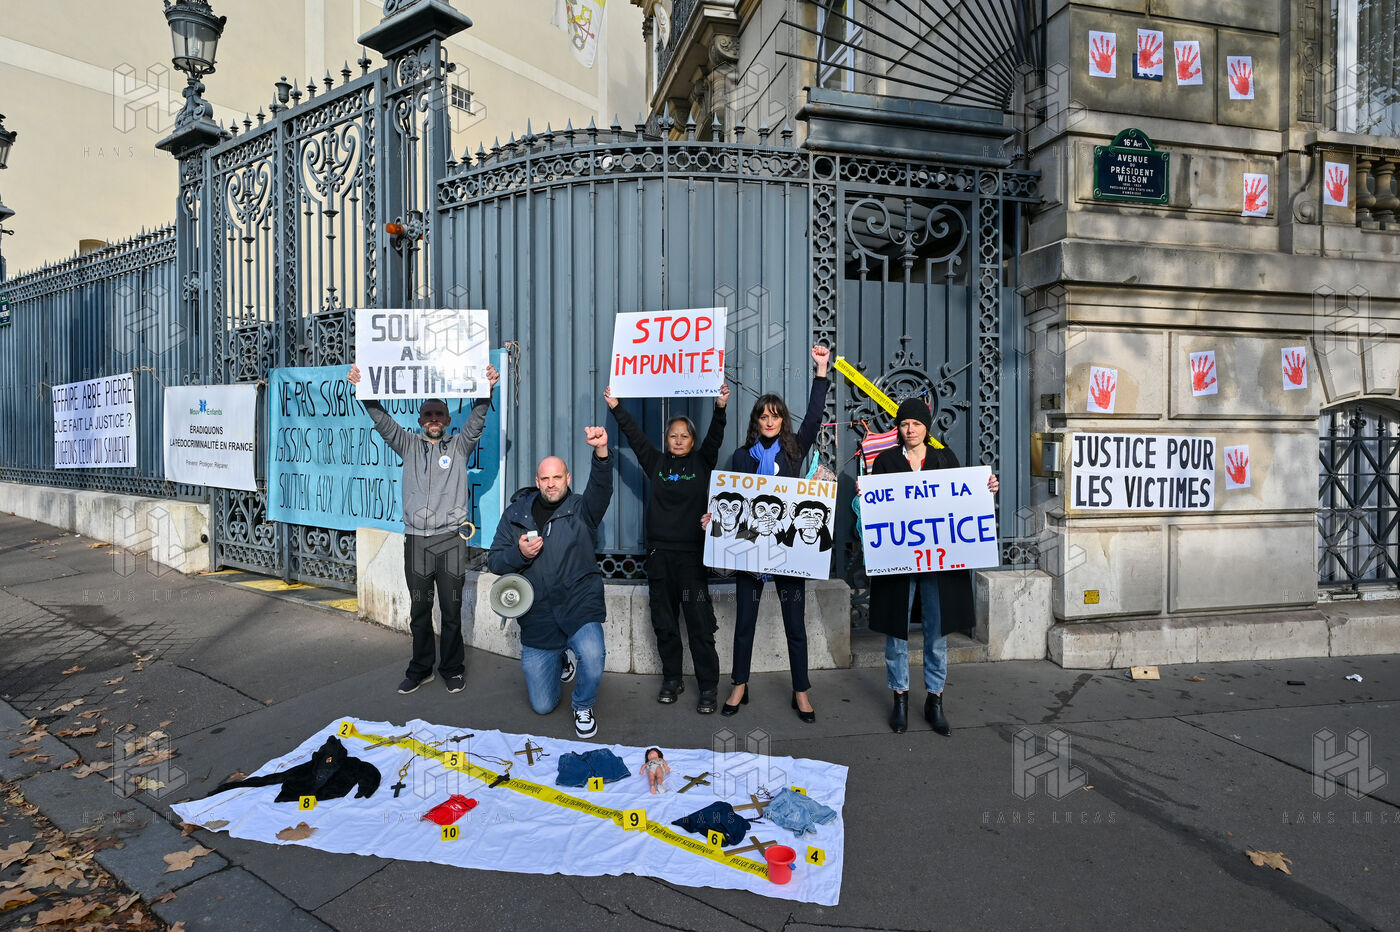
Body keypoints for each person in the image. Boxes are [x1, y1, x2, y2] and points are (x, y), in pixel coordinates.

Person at [347, 363, 499, 696]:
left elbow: (476, 421)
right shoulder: (407, 444)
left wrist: (485, 391)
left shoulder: (459, 447)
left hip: (450, 542)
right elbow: (382, 421)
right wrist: (365, 391)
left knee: (451, 610)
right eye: (428, 414)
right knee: (419, 609)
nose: (433, 419)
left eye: (439, 414)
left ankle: (452, 669)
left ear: (447, 420)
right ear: (420, 421)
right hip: (416, 541)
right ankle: (420, 669)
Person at [710, 344, 830, 723]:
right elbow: (730, 501)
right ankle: (739, 685)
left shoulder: (793, 451)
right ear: (756, 421)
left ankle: (801, 691)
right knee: (745, 623)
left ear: (782, 421)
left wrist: (821, 370)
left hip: (788, 552)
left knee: (795, 625)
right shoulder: (741, 457)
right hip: (750, 552)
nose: (769, 421)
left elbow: (814, 417)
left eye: (775, 416)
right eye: (763, 415)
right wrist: (713, 519)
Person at [869, 397, 998, 735]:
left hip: (938, 565)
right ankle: (899, 698)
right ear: (898, 428)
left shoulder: (944, 459)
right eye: (904, 424)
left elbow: (964, 501)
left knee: (937, 633)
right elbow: (875, 510)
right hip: (899, 564)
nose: (910, 429)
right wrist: (864, 496)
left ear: (927, 427)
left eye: (916, 424)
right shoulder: (885, 461)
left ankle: (935, 699)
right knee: (896, 634)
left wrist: (986, 490)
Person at [606, 384, 729, 713]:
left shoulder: (703, 462)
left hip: (691, 561)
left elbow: (715, 436)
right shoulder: (657, 463)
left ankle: (708, 687)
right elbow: (634, 437)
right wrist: (616, 406)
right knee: (665, 624)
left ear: (692, 440)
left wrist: (720, 407)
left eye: (684, 436)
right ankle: (672, 679)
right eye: (673, 435)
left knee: (699, 625)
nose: (678, 440)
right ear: (666, 440)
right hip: (660, 558)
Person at [487, 427, 614, 738]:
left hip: (578, 603)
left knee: (593, 657)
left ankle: (583, 704)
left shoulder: (582, 509)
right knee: (543, 705)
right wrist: (519, 553)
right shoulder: (515, 514)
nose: (551, 483)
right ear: (537, 481)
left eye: (557, 477)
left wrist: (601, 452)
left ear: (568, 478)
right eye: (545, 478)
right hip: (538, 614)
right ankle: (561, 658)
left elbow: (601, 488)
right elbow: (494, 561)